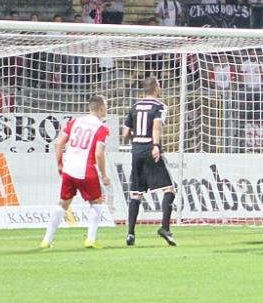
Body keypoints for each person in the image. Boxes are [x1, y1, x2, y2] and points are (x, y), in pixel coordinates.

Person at [41, 95, 111, 249]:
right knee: (97, 202)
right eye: (106, 106)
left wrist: (60, 164)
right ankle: (90, 239)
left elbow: (59, 143)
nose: (106, 109)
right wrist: (104, 175)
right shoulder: (102, 128)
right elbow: (99, 154)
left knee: (63, 203)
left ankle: (46, 240)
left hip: (69, 169)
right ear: (101, 108)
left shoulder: (75, 122)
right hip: (86, 170)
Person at [122, 77, 177, 247]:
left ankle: (130, 233)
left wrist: (136, 140)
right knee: (169, 189)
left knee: (137, 193)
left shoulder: (135, 106)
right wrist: (155, 146)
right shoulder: (159, 106)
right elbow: (156, 126)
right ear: (156, 88)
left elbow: (125, 132)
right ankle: (165, 228)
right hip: (149, 148)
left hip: (136, 150)